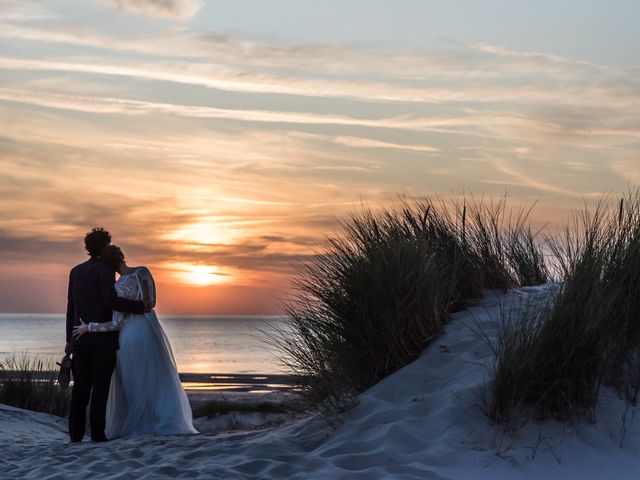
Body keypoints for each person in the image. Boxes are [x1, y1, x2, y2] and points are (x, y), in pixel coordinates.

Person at [73, 245, 197, 438]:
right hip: (140, 331)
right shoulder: (139, 273)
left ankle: (144, 421)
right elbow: (149, 304)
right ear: (122, 257)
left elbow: (119, 321)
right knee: (152, 376)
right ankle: (154, 419)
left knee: (137, 379)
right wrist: (89, 327)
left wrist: (88, 327)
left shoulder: (122, 283)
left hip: (130, 334)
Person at [66, 228, 148, 443]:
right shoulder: (105, 270)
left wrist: (69, 340)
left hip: (80, 338)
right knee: (100, 388)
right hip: (103, 339)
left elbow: (71, 308)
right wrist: (141, 306)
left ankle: (75, 436)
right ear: (103, 246)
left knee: (80, 388)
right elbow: (111, 301)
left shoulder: (76, 271)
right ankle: (98, 435)